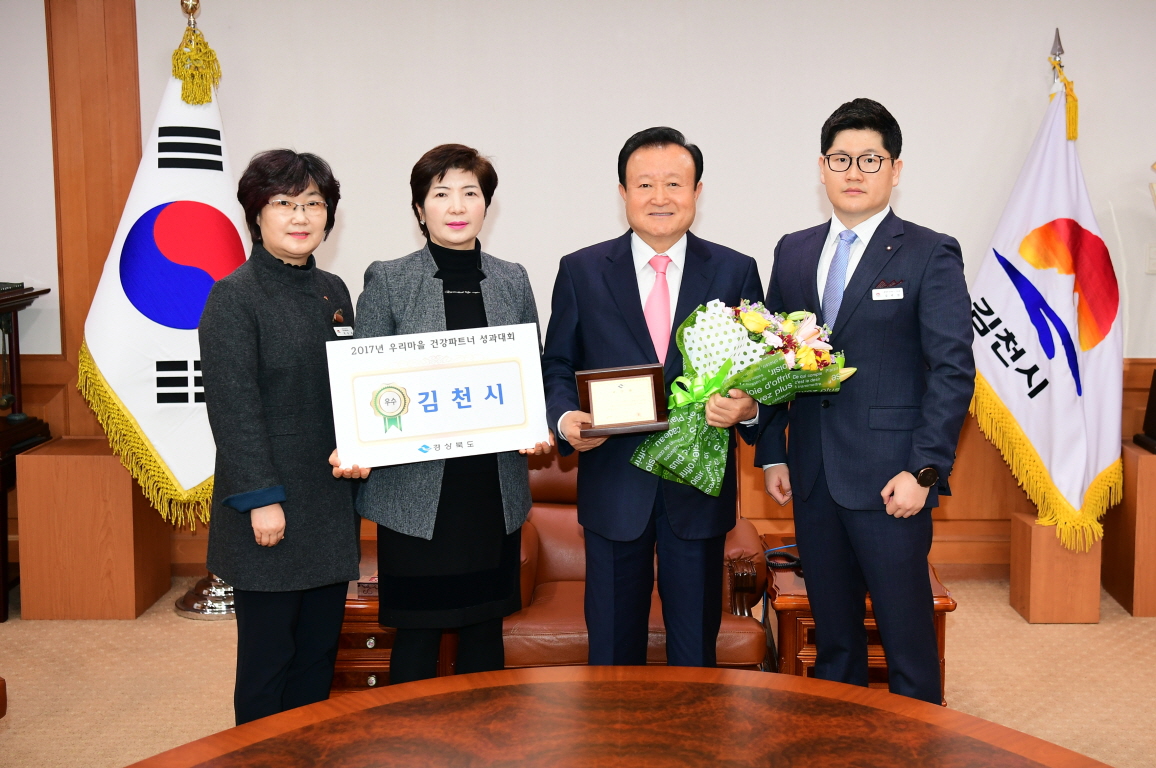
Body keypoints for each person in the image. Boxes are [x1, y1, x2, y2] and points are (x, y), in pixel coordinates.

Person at [757, 99, 974, 704]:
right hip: (813, 476)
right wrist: (772, 451)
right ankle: (841, 740)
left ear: (895, 170)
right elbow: (772, 358)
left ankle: (917, 741)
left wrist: (924, 470)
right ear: (821, 168)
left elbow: (953, 371)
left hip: (892, 480)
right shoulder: (793, 251)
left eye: (870, 160)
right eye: (840, 159)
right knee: (835, 642)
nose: (854, 172)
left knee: (906, 640)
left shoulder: (929, 251)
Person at [541, 127, 765, 667]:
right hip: (615, 484)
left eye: (674, 183)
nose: (659, 197)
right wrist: (566, 417)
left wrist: (749, 408)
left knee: (695, 652)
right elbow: (558, 363)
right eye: (644, 184)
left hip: (698, 489)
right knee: (613, 652)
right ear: (623, 192)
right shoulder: (581, 270)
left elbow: (759, 370)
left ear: (697, 191)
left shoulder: (735, 270)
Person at [346, 144, 550, 684]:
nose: (457, 206)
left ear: (486, 205)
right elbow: (367, 382)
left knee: (485, 628)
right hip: (416, 491)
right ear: (420, 209)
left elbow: (530, 368)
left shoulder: (512, 278)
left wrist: (535, 424)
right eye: (441, 194)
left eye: (470, 193)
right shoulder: (389, 279)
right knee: (417, 633)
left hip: (491, 488)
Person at [200, 150, 361, 725]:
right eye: (284, 203)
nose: (301, 216)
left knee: (317, 658)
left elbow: (352, 387)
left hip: (328, 503)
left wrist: (363, 441)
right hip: (270, 509)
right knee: (268, 664)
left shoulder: (334, 290)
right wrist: (262, 499)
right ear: (257, 214)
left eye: (313, 203)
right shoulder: (234, 296)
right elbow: (233, 408)